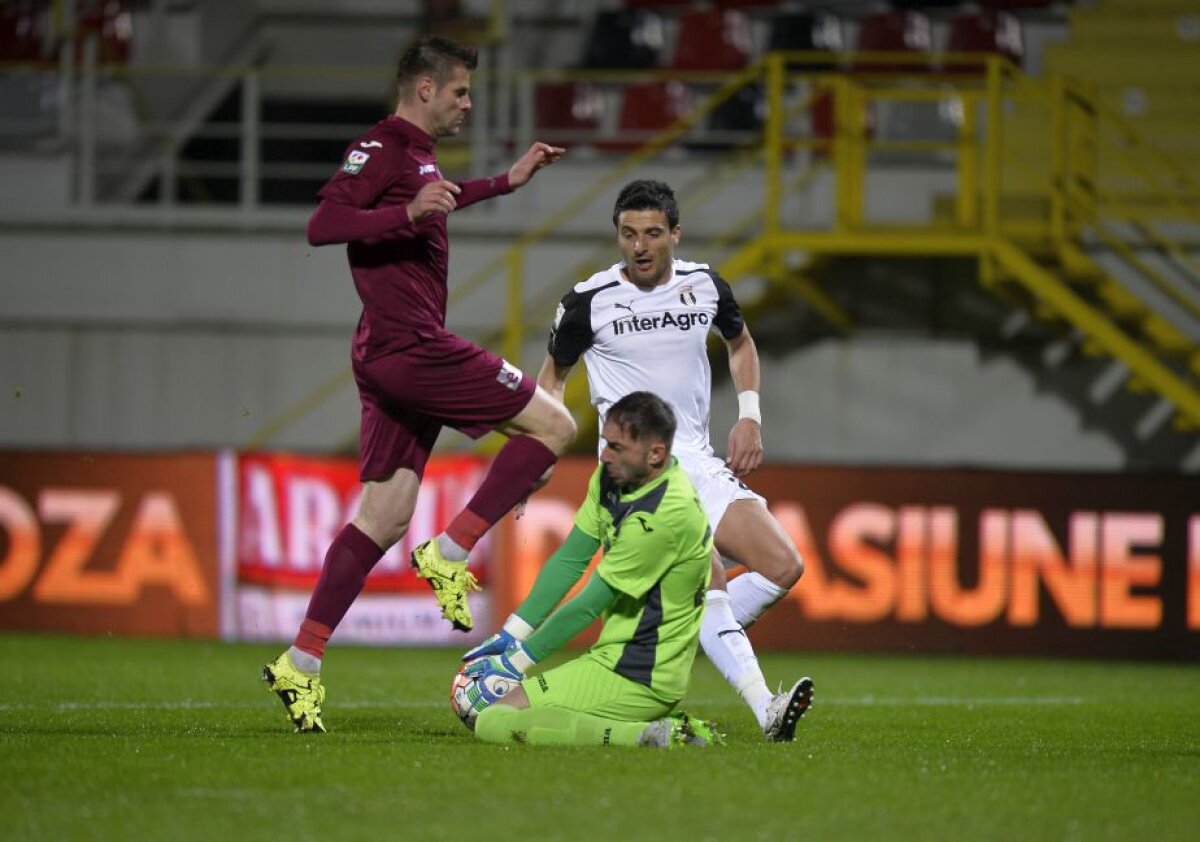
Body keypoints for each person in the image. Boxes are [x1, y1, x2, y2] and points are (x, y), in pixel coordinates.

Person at [262, 35, 576, 734]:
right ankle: (453, 551)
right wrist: (404, 215)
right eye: (460, 91)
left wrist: (505, 182)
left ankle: (300, 661)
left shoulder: (420, 156)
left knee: (383, 515)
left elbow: (436, 202)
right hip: (410, 346)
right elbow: (323, 224)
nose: (469, 103)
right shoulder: (381, 147)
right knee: (556, 425)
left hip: (388, 350)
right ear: (425, 88)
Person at [473, 179, 813, 741]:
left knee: (784, 566)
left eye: (653, 233)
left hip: (697, 458)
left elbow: (741, 343)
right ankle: (765, 708)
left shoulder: (706, 286)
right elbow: (552, 378)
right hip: (639, 474)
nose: (640, 246)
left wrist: (749, 414)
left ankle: (685, 633)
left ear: (675, 233)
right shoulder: (587, 301)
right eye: (628, 234)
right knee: (709, 575)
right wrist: (540, 450)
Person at [465, 391, 722, 748]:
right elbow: (571, 559)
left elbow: (589, 605)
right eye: (606, 443)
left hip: (639, 675)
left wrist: (515, 662)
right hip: (616, 659)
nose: (604, 455)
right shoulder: (613, 479)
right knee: (512, 712)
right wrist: (510, 635)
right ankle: (657, 728)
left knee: (491, 719)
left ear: (655, 454)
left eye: (617, 447)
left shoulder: (662, 515)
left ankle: (643, 735)